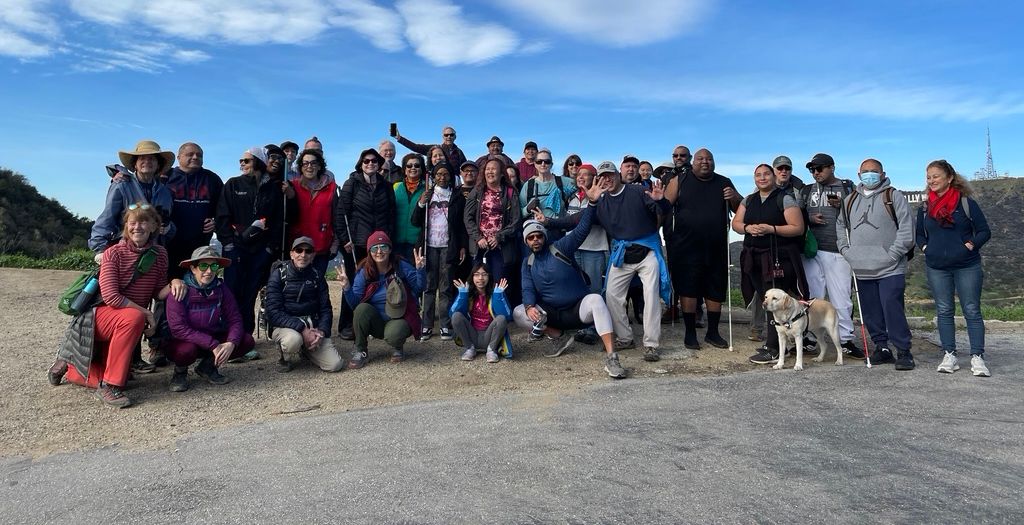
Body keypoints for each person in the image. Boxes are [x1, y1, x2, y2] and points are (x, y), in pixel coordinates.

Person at [50, 204, 182, 407]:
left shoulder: (160, 254)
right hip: (98, 318)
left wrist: (175, 283)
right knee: (133, 319)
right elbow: (111, 297)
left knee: (124, 376)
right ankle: (110, 386)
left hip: (126, 320)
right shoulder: (113, 253)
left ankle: (72, 368)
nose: (138, 227)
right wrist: (146, 313)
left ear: (154, 225)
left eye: (144, 221)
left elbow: (158, 291)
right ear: (126, 226)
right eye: (133, 222)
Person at [513, 204, 627, 379]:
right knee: (519, 312)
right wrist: (529, 306)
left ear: (544, 237)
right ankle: (559, 337)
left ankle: (612, 358)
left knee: (596, 299)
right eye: (531, 238)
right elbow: (527, 288)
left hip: (577, 310)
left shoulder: (561, 247)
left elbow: (582, 229)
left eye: (538, 236)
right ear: (526, 241)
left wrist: (592, 204)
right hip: (552, 315)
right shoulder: (527, 262)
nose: (535, 240)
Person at [837, 158, 916, 369]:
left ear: (882, 174)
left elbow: (907, 229)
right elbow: (841, 228)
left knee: (892, 308)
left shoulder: (894, 196)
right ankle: (881, 348)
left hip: (891, 267)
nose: (869, 174)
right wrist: (846, 251)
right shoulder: (850, 200)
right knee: (871, 311)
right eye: (865, 171)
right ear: (858, 175)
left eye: (874, 171)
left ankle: (904, 351)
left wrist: (893, 254)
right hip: (862, 268)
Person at [916, 160, 992, 376]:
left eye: (936, 176)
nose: (931, 181)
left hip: (967, 265)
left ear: (949, 178)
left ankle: (977, 357)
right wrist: (925, 248)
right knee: (944, 310)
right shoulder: (924, 207)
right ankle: (949, 354)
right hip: (937, 267)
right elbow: (919, 234)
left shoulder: (966, 203)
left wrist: (971, 245)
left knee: (971, 310)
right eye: (929, 177)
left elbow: (984, 231)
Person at [664, 148, 741, 350]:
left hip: (716, 245)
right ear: (693, 162)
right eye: (700, 159)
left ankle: (713, 332)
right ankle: (690, 333)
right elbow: (664, 207)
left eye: (709, 159)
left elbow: (740, 207)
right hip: (685, 245)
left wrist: (732, 196)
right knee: (688, 288)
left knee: (715, 289)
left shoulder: (724, 182)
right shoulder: (679, 181)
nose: (705, 162)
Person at [731, 164, 809, 365]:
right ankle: (778, 344)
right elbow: (736, 224)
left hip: (778, 258)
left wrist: (771, 229)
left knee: (777, 302)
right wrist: (748, 227)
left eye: (766, 174)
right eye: (758, 175)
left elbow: (797, 228)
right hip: (754, 256)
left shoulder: (785, 198)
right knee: (767, 299)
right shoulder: (749, 199)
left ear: (774, 176)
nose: (762, 178)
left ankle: (774, 348)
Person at [216, 146, 294, 337]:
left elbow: (278, 221)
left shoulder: (274, 189)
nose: (242, 164)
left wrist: (269, 248)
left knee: (251, 292)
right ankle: (229, 336)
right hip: (235, 248)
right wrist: (228, 243)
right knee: (232, 291)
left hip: (260, 250)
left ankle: (246, 337)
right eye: (241, 161)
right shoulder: (233, 184)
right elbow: (222, 216)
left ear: (258, 162)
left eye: (247, 160)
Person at [162, 246, 255, 391]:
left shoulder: (221, 288)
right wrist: (213, 345)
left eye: (214, 266)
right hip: (183, 341)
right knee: (185, 351)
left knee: (246, 341)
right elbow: (178, 329)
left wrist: (231, 342)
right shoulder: (179, 290)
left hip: (211, 338)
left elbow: (235, 319)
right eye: (203, 266)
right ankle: (180, 372)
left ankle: (208, 367)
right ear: (193, 269)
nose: (209, 271)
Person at [799, 153, 863, 358]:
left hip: (838, 249)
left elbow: (859, 213)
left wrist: (841, 206)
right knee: (812, 296)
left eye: (820, 168)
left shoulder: (847, 187)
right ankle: (809, 336)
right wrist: (808, 217)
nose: (815, 173)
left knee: (841, 297)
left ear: (832, 167)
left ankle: (845, 339)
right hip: (811, 250)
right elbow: (797, 215)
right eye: (812, 169)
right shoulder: (807, 190)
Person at [338, 231, 427, 368]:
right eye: (375, 248)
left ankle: (397, 346)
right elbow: (355, 304)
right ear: (369, 251)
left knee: (394, 335)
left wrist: (420, 269)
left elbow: (419, 288)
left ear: (390, 249)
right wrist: (347, 287)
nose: (379, 251)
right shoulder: (364, 271)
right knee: (361, 309)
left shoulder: (401, 266)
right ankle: (361, 350)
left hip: (400, 318)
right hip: (376, 321)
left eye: (383, 247)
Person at [334, 147, 397, 340]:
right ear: (360, 164)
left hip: (379, 244)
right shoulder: (351, 184)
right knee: (353, 283)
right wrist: (345, 239)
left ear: (379, 164)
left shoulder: (386, 186)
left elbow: (392, 213)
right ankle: (347, 323)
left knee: (377, 281)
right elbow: (340, 214)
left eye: (374, 161)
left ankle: (373, 321)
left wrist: (389, 236)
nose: (370, 164)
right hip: (357, 244)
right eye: (366, 161)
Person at [266, 237, 344, 373]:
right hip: (286, 327)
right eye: (299, 250)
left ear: (313, 255)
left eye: (308, 251)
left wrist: (322, 331)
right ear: (292, 254)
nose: (303, 255)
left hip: (312, 327)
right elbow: (273, 312)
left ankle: (307, 350)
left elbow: (326, 309)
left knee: (334, 365)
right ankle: (285, 356)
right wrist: (303, 330)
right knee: (293, 341)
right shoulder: (278, 275)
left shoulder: (317, 277)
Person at [90, 140, 176, 257]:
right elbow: (107, 217)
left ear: (158, 165)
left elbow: (170, 227)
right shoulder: (121, 185)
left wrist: (168, 228)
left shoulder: (166, 193)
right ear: (135, 164)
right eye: (142, 158)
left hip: (153, 255)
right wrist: (100, 249)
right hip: (124, 251)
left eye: (152, 159)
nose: (147, 161)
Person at [412, 163, 466, 341]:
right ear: (433, 176)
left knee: (445, 287)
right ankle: (426, 325)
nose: (442, 177)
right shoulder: (427, 194)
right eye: (439, 174)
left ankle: (445, 324)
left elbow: (461, 226)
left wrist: (462, 246)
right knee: (428, 286)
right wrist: (421, 203)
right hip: (429, 246)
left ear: (451, 176)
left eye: (446, 174)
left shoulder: (457, 196)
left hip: (448, 246)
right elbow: (415, 221)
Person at [163, 142, 222, 279]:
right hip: (169, 244)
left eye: (199, 155)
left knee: (196, 286)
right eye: (190, 154)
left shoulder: (212, 179)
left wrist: (216, 222)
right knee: (170, 286)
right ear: (179, 157)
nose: (195, 157)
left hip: (199, 246)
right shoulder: (166, 176)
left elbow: (224, 208)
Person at [464, 157, 522, 286]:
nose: (490, 172)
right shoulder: (477, 191)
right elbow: (468, 218)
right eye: (487, 169)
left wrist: (499, 237)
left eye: (493, 169)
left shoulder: (511, 192)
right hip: (479, 247)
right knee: (480, 284)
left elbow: (516, 221)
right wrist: (478, 238)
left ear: (501, 173)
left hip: (501, 247)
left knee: (498, 285)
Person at [288, 148, 338, 276]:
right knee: (296, 286)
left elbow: (336, 217)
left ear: (319, 166)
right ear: (300, 166)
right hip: (297, 248)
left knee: (317, 285)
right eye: (305, 163)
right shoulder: (292, 186)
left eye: (313, 163)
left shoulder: (331, 188)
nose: (309, 166)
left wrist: (335, 242)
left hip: (321, 247)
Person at [449, 264, 513, 362]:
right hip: (472, 335)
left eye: (484, 274)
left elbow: (507, 316)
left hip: (490, 335)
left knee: (501, 318)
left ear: (489, 276)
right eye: (477, 274)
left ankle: (491, 350)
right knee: (456, 316)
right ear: (472, 277)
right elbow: (452, 314)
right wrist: (462, 295)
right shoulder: (467, 292)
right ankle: (469, 348)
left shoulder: (496, 292)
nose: (480, 278)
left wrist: (498, 296)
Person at [519, 148, 576, 227]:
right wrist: (528, 209)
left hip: (557, 230)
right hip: (535, 234)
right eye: (539, 162)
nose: (543, 164)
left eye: (547, 161)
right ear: (535, 164)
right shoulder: (528, 185)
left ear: (551, 164)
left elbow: (583, 184)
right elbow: (518, 214)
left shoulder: (563, 182)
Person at [393, 153, 428, 261]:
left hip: (416, 242)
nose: (413, 168)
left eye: (417, 165)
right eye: (409, 166)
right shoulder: (396, 187)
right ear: (404, 169)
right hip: (396, 240)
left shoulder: (427, 189)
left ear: (422, 169)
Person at [394, 124, 467, 173]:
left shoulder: (459, 152)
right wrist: (399, 138)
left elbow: (466, 167)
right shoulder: (435, 149)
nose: (449, 137)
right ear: (443, 137)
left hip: (454, 184)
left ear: (455, 137)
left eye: (451, 135)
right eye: (446, 135)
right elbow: (416, 147)